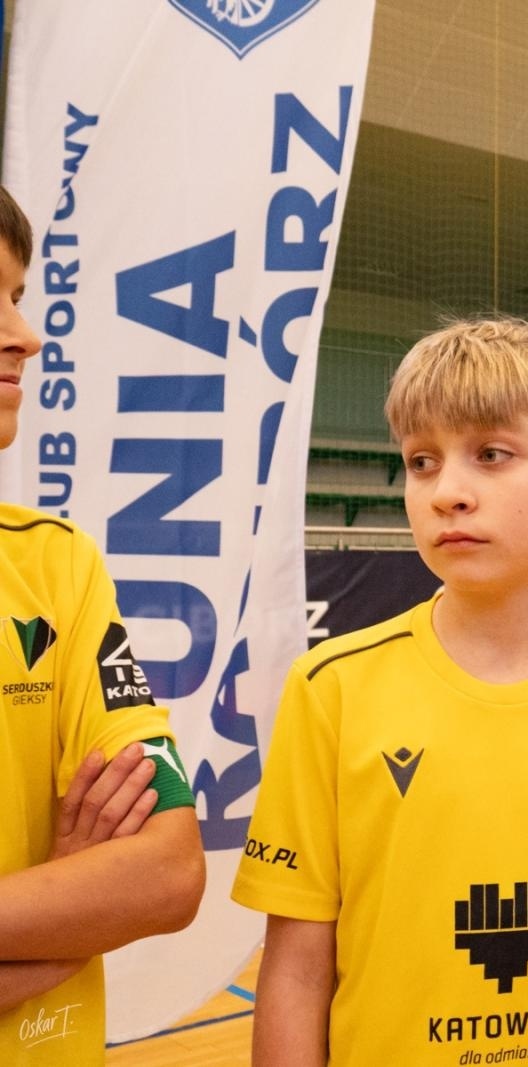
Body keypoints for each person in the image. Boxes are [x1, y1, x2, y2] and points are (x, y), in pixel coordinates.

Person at [234, 319, 528, 1066]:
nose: (447, 492)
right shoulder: (333, 688)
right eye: (421, 462)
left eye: (491, 454)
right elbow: (295, 967)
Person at [0, 185, 206, 1064]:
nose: (26, 335)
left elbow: (169, 872)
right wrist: (63, 904)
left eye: (16, 296)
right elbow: (111, 896)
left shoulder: (58, 566)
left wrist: (95, 897)